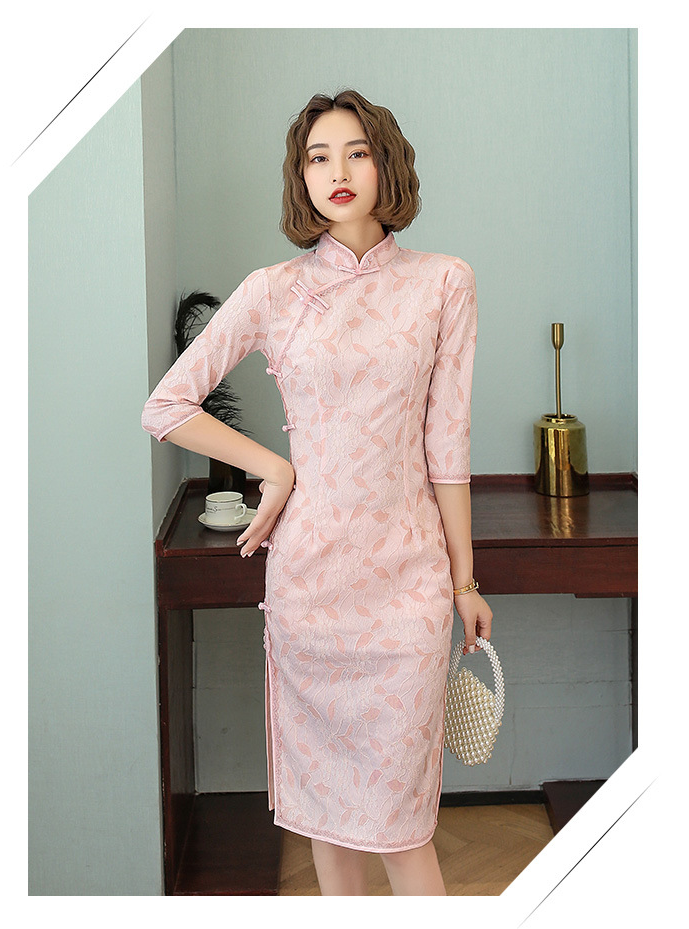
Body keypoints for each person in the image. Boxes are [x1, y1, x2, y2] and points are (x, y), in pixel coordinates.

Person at [141, 89, 493, 896]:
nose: (338, 170)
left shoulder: (444, 282)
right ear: (300, 177)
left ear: (386, 164)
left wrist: (463, 581)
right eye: (318, 157)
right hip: (311, 587)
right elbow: (165, 406)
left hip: (406, 585)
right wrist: (276, 469)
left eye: (357, 152)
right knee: (328, 825)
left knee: (405, 830)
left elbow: (448, 446)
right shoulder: (273, 290)